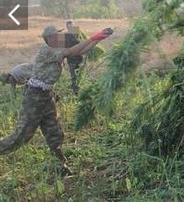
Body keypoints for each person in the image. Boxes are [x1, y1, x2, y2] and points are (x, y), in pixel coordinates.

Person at [0, 25, 113, 176]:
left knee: (54, 132)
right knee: (22, 136)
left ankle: (61, 166)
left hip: (46, 96)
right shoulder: (46, 51)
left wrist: (101, 36)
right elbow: (72, 51)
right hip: (34, 97)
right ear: (51, 38)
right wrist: (94, 36)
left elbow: (81, 50)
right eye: (58, 35)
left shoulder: (57, 50)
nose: (62, 37)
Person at [65, 20, 84, 94]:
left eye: (72, 26)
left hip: (79, 58)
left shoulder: (78, 34)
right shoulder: (65, 36)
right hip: (71, 59)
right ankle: (74, 90)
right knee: (73, 75)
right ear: (67, 27)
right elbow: (64, 48)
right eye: (69, 26)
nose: (71, 28)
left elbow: (83, 42)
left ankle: (80, 87)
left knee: (80, 74)